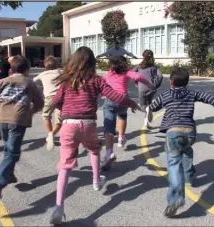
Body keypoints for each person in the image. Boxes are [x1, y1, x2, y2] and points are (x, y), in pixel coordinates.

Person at [50, 46, 141, 225]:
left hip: (68, 125)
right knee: (93, 150)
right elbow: (115, 96)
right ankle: (96, 181)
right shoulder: (96, 80)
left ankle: (59, 206)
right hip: (88, 124)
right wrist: (132, 103)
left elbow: (55, 102)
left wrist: (65, 111)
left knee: (65, 166)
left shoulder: (66, 81)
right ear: (92, 63)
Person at [146, 67, 214, 217]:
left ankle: (176, 199)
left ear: (171, 82)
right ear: (187, 83)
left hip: (173, 133)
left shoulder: (166, 94)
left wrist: (147, 109)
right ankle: (188, 177)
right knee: (186, 151)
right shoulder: (192, 93)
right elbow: (210, 98)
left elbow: (153, 107)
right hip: (190, 133)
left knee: (174, 164)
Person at [0, 55, 44, 213]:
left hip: (1, 118)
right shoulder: (29, 83)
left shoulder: (5, 81)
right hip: (18, 120)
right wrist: (30, 111)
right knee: (13, 153)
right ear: (27, 70)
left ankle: (9, 174)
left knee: (8, 150)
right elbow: (40, 102)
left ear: (11, 70)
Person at [101, 56, 153, 170]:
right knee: (122, 116)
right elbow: (138, 76)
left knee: (108, 126)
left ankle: (109, 152)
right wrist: (148, 84)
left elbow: (102, 82)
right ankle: (121, 137)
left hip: (109, 99)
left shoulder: (109, 73)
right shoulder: (127, 72)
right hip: (123, 100)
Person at [33, 56, 62, 151]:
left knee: (46, 116)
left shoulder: (43, 74)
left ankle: (50, 134)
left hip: (49, 98)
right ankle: (52, 135)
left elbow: (32, 81)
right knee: (59, 119)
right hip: (61, 98)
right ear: (57, 64)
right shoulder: (61, 72)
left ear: (45, 65)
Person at [133, 49, 163, 128]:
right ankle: (146, 124)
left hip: (142, 88)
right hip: (152, 88)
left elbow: (132, 74)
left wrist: (136, 82)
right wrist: (156, 85)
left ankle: (147, 117)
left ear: (143, 57)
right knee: (149, 105)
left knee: (143, 106)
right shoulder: (155, 67)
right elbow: (160, 76)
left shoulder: (139, 66)